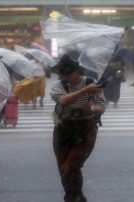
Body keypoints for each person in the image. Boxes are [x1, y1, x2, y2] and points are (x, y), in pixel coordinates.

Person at [49, 53, 105, 202]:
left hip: (85, 129)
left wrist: (92, 108)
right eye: (64, 74)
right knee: (64, 169)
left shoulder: (92, 83)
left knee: (71, 166)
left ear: (78, 71)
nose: (67, 77)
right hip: (63, 129)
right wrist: (85, 91)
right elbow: (63, 100)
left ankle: (75, 197)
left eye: (70, 73)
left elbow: (102, 107)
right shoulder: (58, 86)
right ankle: (75, 197)